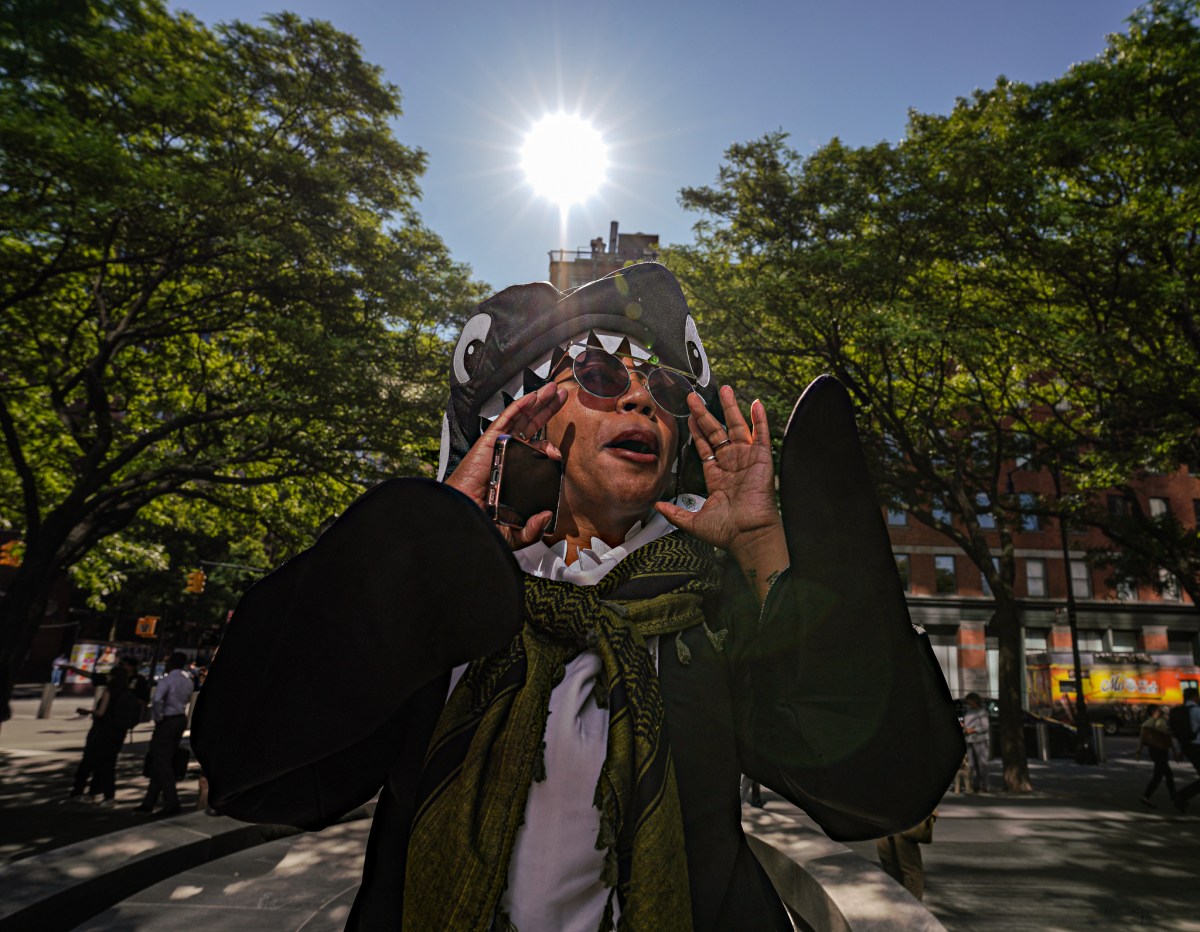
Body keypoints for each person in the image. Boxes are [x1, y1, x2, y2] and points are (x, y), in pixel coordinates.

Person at [193, 263, 964, 930]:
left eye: (663, 388)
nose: (641, 404)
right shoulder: (435, 605)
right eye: (600, 376)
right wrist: (436, 541)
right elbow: (255, 770)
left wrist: (768, 553)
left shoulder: (709, 604)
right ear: (515, 418)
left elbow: (878, 791)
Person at [67, 666, 142, 807]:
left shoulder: (109, 691)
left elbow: (101, 713)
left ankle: (79, 792)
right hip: (117, 734)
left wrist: (87, 711)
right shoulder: (128, 693)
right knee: (108, 765)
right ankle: (108, 796)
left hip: (102, 732)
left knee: (88, 763)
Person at [136, 651, 194, 817]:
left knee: (161, 760)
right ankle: (149, 801)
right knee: (161, 759)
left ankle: (171, 801)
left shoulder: (167, 680)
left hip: (168, 719)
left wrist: (158, 717)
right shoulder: (187, 680)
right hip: (179, 718)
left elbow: (157, 700)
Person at [875, 810, 935, 901]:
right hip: (884, 816)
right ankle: (896, 904)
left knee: (910, 869)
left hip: (906, 816)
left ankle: (913, 907)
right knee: (889, 865)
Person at [1136, 706, 1176, 808]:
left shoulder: (1147, 723)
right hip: (1161, 751)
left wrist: (1139, 751)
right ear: (1154, 712)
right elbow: (1166, 735)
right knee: (1159, 775)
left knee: (1167, 774)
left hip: (1153, 750)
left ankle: (1175, 797)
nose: (1161, 711)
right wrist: (1174, 749)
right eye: (1158, 710)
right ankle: (1146, 796)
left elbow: (1142, 738)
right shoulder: (1160, 722)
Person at [1174, 686, 1200, 814]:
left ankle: (1182, 796)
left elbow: (1181, 733)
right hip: (1197, 747)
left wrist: (1180, 751)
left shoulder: (1182, 710)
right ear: (1195, 697)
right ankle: (1181, 796)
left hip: (1187, 747)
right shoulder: (1197, 711)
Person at [962, 693, 990, 794]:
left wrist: (973, 730)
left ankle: (984, 785)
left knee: (982, 763)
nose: (969, 703)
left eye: (970, 701)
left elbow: (985, 727)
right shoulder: (969, 712)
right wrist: (964, 728)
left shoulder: (982, 712)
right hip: (969, 740)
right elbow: (967, 725)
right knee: (972, 764)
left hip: (980, 739)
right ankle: (975, 784)